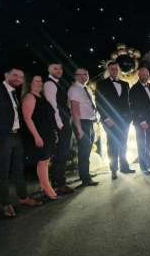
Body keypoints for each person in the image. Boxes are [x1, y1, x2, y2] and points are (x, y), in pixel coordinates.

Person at [0, 68, 42, 217]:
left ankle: (23, 198)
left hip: (15, 136)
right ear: (6, 75)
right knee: (2, 173)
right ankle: (5, 204)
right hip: (0, 137)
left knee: (18, 170)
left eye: (21, 76)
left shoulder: (14, 93)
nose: (18, 78)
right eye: (15, 75)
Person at [95, 61, 135, 180]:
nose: (114, 71)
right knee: (112, 144)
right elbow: (99, 102)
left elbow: (129, 102)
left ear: (119, 70)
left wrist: (130, 117)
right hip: (110, 120)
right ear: (108, 70)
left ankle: (124, 166)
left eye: (116, 69)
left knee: (123, 143)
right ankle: (113, 169)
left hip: (124, 120)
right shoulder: (101, 84)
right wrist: (106, 118)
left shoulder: (125, 84)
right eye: (112, 69)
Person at [22, 75, 58, 200]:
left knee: (46, 161)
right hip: (40, 134)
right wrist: (36, 136)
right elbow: (27, 118)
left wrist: (54, 133)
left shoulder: (41, 97)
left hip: (48, 133)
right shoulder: (29, 97)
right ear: (29, 83)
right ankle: (47, 188)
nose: (39, 83)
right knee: (43, 161)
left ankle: (44, 186)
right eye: (36, 81)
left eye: (40, 81)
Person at [43, 63, 74, 194]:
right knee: (61, 153)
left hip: (64, 121)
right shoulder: (49, 84)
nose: (59, 70)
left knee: (63, 153)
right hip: (59, 123)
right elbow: (53, 106)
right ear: (49, 70)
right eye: (55, 68)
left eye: (60, 68)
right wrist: (60, 124)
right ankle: (60, 184)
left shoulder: (58, 83)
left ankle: (58, 181)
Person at [68, 68, 99, 186]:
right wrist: (79, 129)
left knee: (87, 151)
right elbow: (75, 110)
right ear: (76, 76)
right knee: (83, 152)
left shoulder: (85, 89)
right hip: (81, 123)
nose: (84, 77)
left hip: (89, 122)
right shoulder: (74, 89)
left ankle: (86, 174)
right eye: (81, 75)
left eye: (86, 74)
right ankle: (85, 179)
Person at [129, 67, 150, 175]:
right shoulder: (134, 89)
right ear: (139, 75)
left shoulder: (149, 86)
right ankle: (143, 167)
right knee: (141, 144)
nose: (145, 76)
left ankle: (148, 162)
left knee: (149, 143)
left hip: (149, 119)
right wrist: (141, 121)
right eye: (143, 74)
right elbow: (133, 107)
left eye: (147, 74)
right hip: (140, 121)